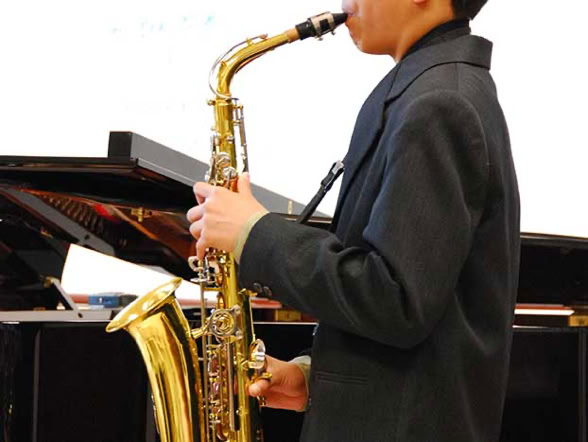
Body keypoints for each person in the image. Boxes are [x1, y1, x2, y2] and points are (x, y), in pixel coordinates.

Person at [187, 0, 520, 439]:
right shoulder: (431, 89)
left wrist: (253, 234)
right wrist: (315, 378)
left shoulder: (439, 103)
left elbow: (394, 298)